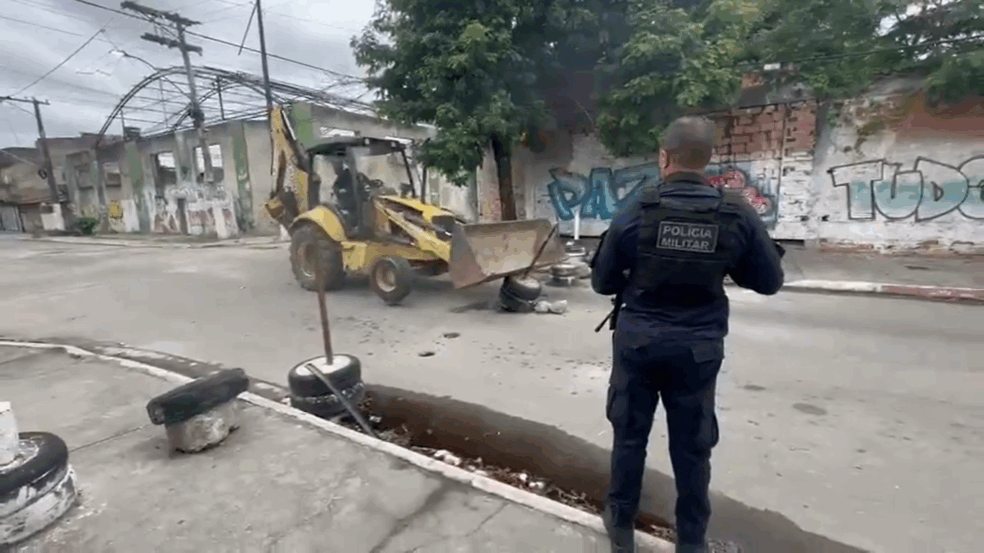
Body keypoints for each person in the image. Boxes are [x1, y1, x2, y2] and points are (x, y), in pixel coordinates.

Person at [590, 116, 785, 553]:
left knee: (630, 436)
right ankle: (692, 542)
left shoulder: (637, 207)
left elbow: (602, 282)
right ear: (707, 160)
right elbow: (769, 281)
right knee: (693, 448)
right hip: (697, 351)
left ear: (664, 156)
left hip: (638, 344)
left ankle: (620, 525)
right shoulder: (734, 212)